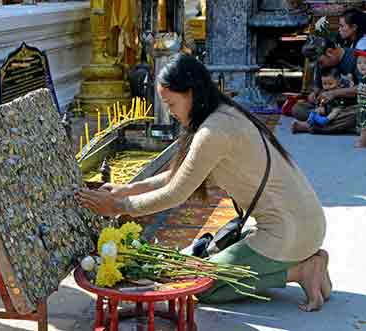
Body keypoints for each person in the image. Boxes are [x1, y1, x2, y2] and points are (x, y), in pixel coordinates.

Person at [76, 54, 331, 312]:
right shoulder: (222, 113)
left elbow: (175, 194)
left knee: (204, 287)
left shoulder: (214, 131)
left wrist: (119, 206)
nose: (171, 113)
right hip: (303, 222)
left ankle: (301, 270)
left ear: (190, 93)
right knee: (192, 263)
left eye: (171, 104)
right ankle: (306, 261)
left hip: (289, 231)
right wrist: (128, 189)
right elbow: (179, 174)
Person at [292, 37, 359, 134]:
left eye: (320, 62)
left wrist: (334, 93)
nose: (319, 66)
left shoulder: (356, 57)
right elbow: (317, 88)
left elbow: (362, 89)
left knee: (360, 112)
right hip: (329, 108)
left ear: (330, 52)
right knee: (298, 109)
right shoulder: (321, 64)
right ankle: (346, 126)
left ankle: (311, 126)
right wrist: (314, 95)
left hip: (352, 106)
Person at [354, 49, 366, 147]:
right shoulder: (361, 77)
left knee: (364, 125)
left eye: (365, 63)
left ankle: (363, 140)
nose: (362, 65)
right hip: (362, 103)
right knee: (362, 122)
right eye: (359, 63)